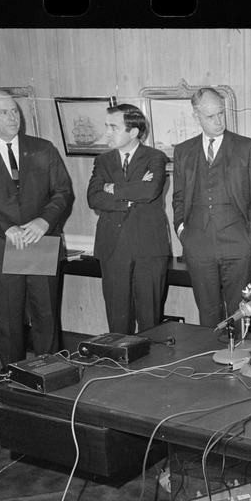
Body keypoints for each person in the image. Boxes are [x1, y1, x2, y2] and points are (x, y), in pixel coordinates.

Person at [0, 89, 74, 371]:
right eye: (3, 112)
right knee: (8, 319)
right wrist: (6, 228)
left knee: (46, 314)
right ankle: (13, 376)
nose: (12, 117)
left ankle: (50, 373)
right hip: (1, 245)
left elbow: (62, 192)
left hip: (41, 241)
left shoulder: (43, 148)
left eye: (14, 111)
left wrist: (45, 221)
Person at [172, 87, 251, 327]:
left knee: (241, 314)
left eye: (221, 114)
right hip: (198, 243)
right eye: (210, 116)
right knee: (208, 318)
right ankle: (210, 362)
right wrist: (182, 232)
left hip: (238, 241)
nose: (218, 121)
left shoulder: (246, 147)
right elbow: (179, 197)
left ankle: (240, 363)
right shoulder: (183, 151)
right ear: (196, 116)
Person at [87, 104, 171, 335]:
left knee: (150, 320)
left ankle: (150, 369)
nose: (107, 133)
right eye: (107, 127)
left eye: (113, 127)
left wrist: (112, 187)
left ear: (133, 132)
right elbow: (93, 198)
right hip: (113, 247)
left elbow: (150, 190)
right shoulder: (103, 161)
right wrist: (131, 195)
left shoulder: (156, 157)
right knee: (117, 321)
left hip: (149, 247)